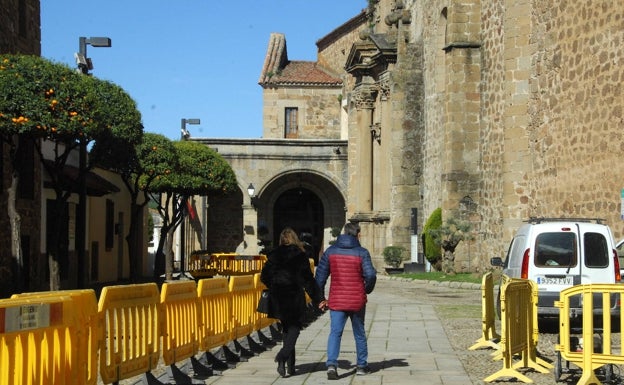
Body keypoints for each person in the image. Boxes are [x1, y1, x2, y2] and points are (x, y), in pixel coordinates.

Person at [260, 227, 326, 377]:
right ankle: (282, 356)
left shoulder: (273, 256)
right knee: (295, 327)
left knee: (287, 329)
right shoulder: (300, 256)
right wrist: (318, 298)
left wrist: (274, 285)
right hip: (294, 295)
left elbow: (264, 277)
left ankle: (290, 366)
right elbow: (308, 280)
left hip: (278, 296)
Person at [315, 222, 377, 380]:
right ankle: (362, 366)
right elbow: (370, 275)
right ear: (358, 234)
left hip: (337, 301)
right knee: (359, 333)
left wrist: (321, 298)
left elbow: (320, 278)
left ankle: (331, 365)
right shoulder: (362, 252)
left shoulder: (331, 252)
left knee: (335, 333)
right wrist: (366, 290)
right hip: (357, 300)